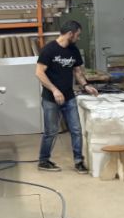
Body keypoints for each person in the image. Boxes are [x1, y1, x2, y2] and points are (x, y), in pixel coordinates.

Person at [35, 20, 98, 172]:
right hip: (51, 99)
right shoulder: (49, 50)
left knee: (76, 130)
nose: (78, 38)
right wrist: (54, 90)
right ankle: (43, 161)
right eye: (77, 35)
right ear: (70, 34)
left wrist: (86, 85)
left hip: (69, 97)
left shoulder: (73, 50)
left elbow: (77, 71)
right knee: (51, 131)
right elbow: (39, 73)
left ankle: (78, 161)